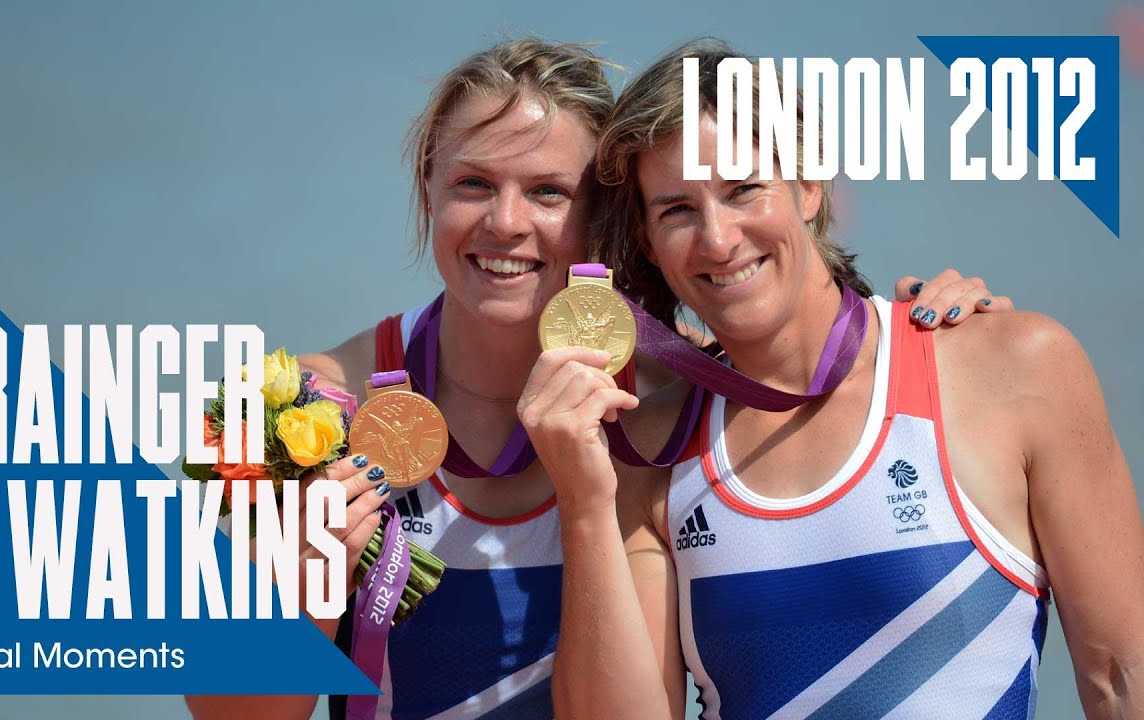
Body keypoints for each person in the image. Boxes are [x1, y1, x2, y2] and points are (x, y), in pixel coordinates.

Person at [186, 38, 1004, 720]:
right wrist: (301, 587)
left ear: (601, 219)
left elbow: (816, 354)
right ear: (427, 186)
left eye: (548, 192)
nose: (505, 222)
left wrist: (940, 323)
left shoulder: (670, 403)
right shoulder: (311, 409)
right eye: (474, 183)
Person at [521, 38, 1144, 720]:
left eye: (743, 190)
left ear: (810, 185)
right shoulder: (651, 445)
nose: (719, 239)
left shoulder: (1013, 367)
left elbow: (1121, 679)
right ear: (645, 239)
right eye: (676, 209)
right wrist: (584, 501)